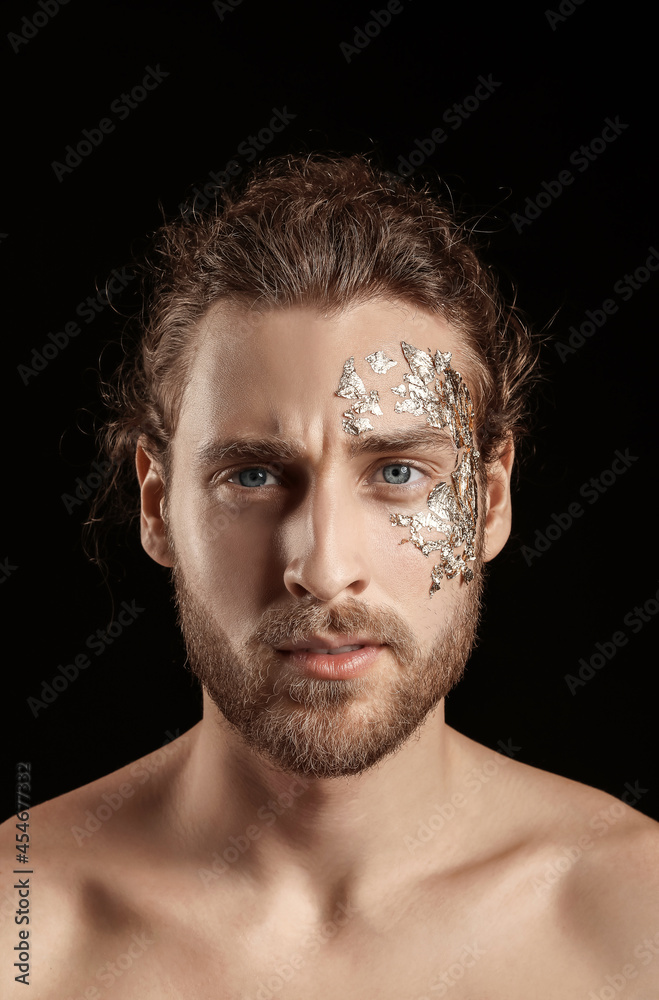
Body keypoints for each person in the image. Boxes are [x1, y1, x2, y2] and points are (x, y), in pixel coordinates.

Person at [2, 154, 658, 999]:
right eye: (252, 476)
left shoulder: (636, 921)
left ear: (487, 503)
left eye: (397, 474)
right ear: (157, 508)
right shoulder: (25, 935)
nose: (321, 569)